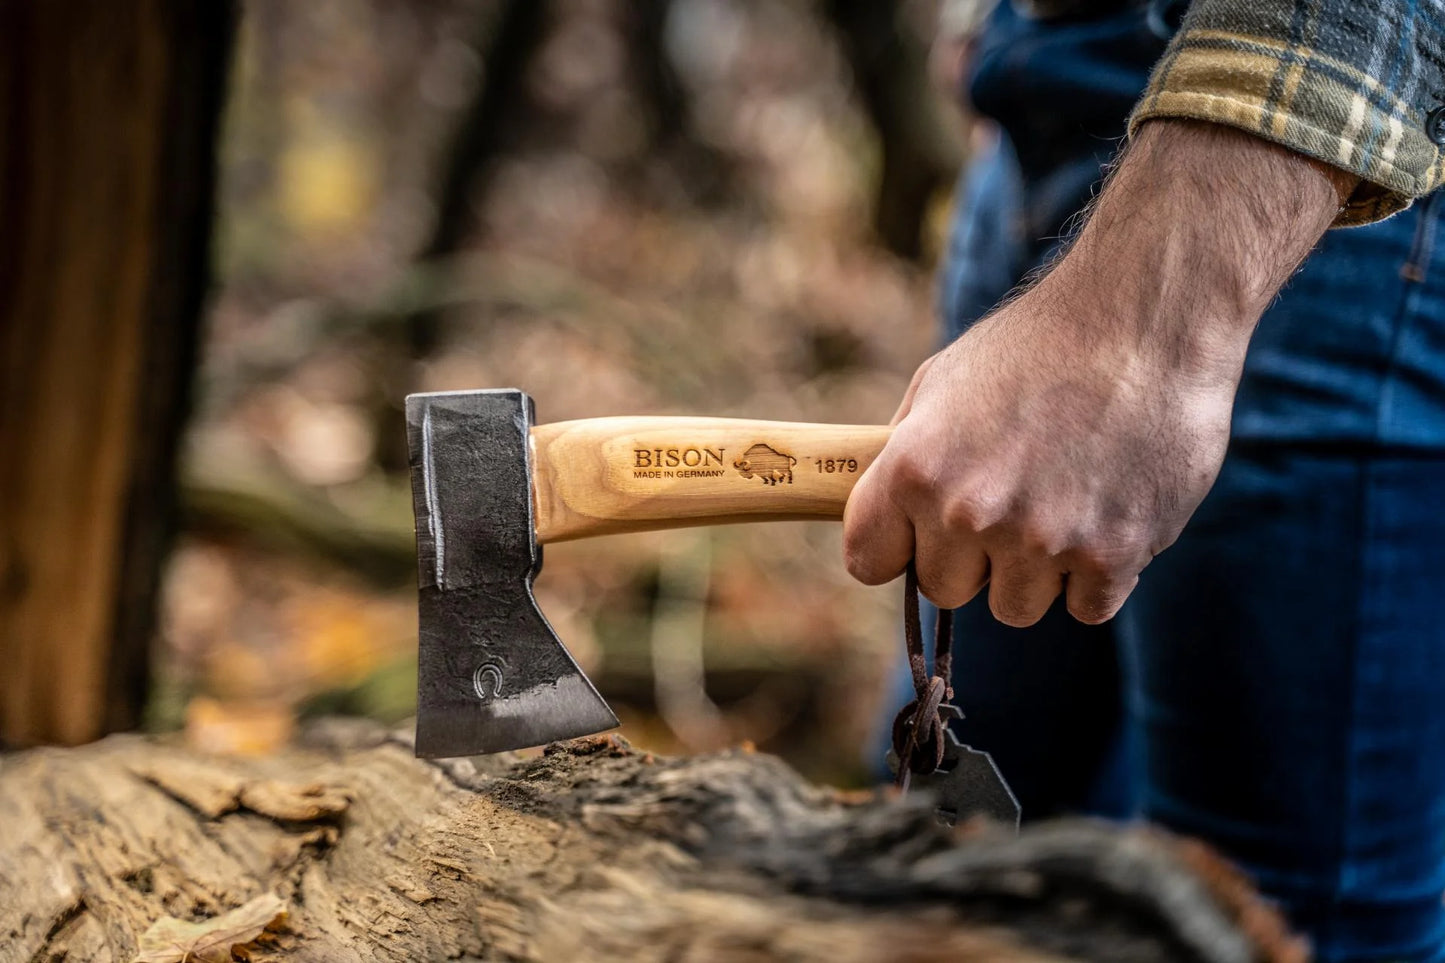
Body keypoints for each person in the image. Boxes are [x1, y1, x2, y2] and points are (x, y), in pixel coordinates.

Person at [845, 0, 1445, 959]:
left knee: (1280, 918)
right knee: (945, 864)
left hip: (1298, 168)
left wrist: (1151, 326)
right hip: (1045, 97)